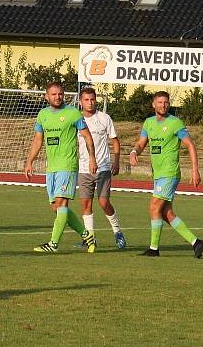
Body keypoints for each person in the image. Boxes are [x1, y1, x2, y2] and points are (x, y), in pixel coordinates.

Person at [129, 91, 203, 258]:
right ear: (153, 104)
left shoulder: (175, 123)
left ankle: (154, 248)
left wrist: (195, 169)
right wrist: (134, 151)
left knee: (154, 206)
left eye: (165, 102)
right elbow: (141, 143)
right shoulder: (148, 123)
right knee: (166, 213)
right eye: (160, 102)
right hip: (158, 174)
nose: (163, 105)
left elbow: (190, 145)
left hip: (170, 173)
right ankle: (196, 242)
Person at [24, 82, 98, 253]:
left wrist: (92, 158)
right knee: (56, 207)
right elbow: (38, 140)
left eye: (60, 94)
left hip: (68, 165)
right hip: (52, 168)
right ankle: (87, 235)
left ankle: (53, 244)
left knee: (61, 202)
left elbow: (87, 137)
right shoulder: (42, 115)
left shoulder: (73, 113)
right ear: (46, 96)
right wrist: (30, 161)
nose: (57, 97)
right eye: (53, 94)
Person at [74, 87, 127, 249]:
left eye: (92, 99)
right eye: (86, 100)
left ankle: (117, 232)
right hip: (83, 169)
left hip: (103, 167)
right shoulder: (76, 119)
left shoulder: (104, 118)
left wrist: (116, 161)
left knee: (104, 202)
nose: (90, 103)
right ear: (80, 102)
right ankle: (90, 238)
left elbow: (115, 140)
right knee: (85, 205)